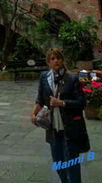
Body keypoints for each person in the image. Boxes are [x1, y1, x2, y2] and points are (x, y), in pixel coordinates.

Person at [32, 48, 89, 183]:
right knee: (58, 163)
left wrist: (62, 103)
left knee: (72, 165)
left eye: (58, 58)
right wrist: (34, 113)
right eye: (52, 58)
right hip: (53, 129)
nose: (56, 61)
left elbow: (81, 102)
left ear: (62, 60)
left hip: (70, 129)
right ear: (49, 62)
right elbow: (40, 99)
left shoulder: (72, 79)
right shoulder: (44, 77)